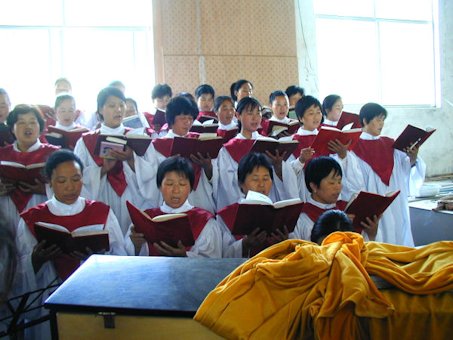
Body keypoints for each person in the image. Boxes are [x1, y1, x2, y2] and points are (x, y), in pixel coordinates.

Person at [74, 86, 159, 234]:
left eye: (121, 105)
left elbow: (152, 171)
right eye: (112, 106)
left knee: (134, 236)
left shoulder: (137, 136)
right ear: (100, 109)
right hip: (101, 194)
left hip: (133, 195)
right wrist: (103, 169)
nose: (118, 110)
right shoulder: (85, 142)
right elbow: (78, 177)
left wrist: (132, 159)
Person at [350, 103, 426, 246]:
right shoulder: (354, 147)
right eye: (378, 119)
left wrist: (413, 158)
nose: (381, 123)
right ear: (365, 121)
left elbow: (404, 170)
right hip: (373, 201)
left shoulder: (389, 144)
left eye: (383, 119)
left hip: (394, 202)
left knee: (398, 231)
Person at [125, 156, 222, 258]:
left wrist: (185, 256)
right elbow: (126, 256)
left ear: (190, 188)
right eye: (169, 184)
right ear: (159, 186)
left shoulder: (205, 221)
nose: (176, 190)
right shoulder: (145, 218)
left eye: (182, 184)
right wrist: (136, 246)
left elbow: (211, 262)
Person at [215, 97, 299, 210]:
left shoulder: (270, 143)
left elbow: (283, 180)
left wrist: (278, 166)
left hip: (270, 202)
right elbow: (227, 187)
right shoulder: (227, 150)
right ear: (238, 115)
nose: (255, 118)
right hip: (243, 206)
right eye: (250, 113)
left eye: (258, 113)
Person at [280, 95, 361, 201]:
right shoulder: (291, 143)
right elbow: (287, 177)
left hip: (330, 194)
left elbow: (340, 173)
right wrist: (301, 160)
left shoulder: (328, 137)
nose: (316, 117)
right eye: (311, 113)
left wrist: (343, 155)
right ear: (300, 118)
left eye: (318, 112)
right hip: (305, 194)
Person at [0, 105, 59, 235]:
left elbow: (72, 186)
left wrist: (46, 189)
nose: (28, 127)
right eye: (21, 122)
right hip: (6, 209)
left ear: (40, 127)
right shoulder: (2, 155)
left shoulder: (54, 154)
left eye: (33, 122)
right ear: (12, 128)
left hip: (42, 208)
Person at [151, 95, 216, 213]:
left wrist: (207, 167)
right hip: (172, 196)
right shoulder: (158, 145)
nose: (187, 122)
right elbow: (152, 176)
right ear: (171, 119)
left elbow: (213, 176)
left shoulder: (199, 140)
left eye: (191, 118)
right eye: (183, 118)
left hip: (200, 195)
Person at [290, 156, 378, 242]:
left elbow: (362, 249)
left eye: (339, 181)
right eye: (332, 183)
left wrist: (371, 234)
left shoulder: (347, 210)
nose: (338, 187)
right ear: (314, 186)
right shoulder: (301, 217)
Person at [219, 152, 289, 257]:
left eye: (266, 179)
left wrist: (284, 242)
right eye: (255, 179)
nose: (261, 184)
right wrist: (245, 244)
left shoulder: (279, 211)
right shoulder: (227, 216)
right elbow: (220, 256)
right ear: (241, 184)